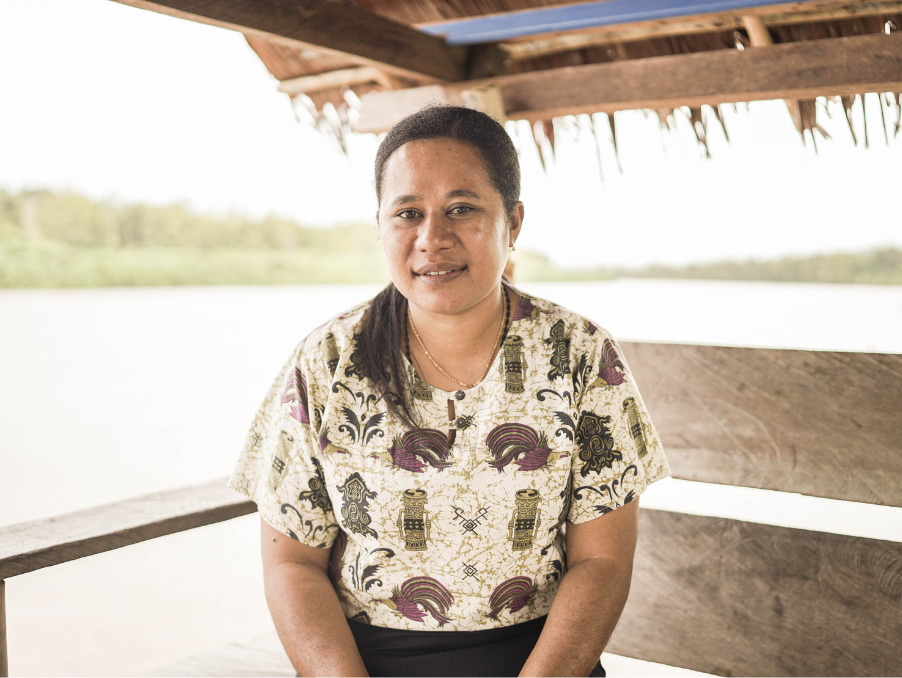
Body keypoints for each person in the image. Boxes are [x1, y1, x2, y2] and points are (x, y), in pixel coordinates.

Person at [227, 105, 670, 677]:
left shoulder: (580, 355)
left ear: (514, 223)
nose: (431, 238)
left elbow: (603, 559)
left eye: (462, 209)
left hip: (539, 660)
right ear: (382, 225)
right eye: (408, 213)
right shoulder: (328, 360)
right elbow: (290, 561)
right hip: (365, 663)